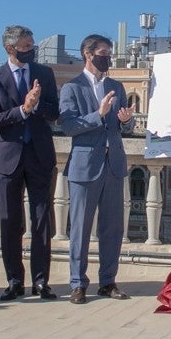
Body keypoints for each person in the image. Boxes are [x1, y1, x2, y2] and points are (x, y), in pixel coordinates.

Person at [0, 25, 60, 302]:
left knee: (41, 221)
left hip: (40, 157)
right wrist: (23, 109)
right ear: (10, 48)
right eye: (26, 47)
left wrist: (38, 105)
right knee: (10, 221)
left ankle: (41, 282)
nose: (31, 51)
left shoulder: (44, 74)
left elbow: (55, 112)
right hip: (8, 159)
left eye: (32, 46)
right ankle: (14, 280)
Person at [59, 35, 135, 305]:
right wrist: (98, 114)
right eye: (104, 53)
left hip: (113, 164)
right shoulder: (72, 87)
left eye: (110, 53)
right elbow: (68, 126)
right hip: (84, 166)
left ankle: (108, 282)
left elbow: (124, 127)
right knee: (80, 227)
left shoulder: (116, 86)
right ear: (88, 54)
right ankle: (78, 283)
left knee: (112, 228)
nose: (108, 58)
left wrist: (126, 121)